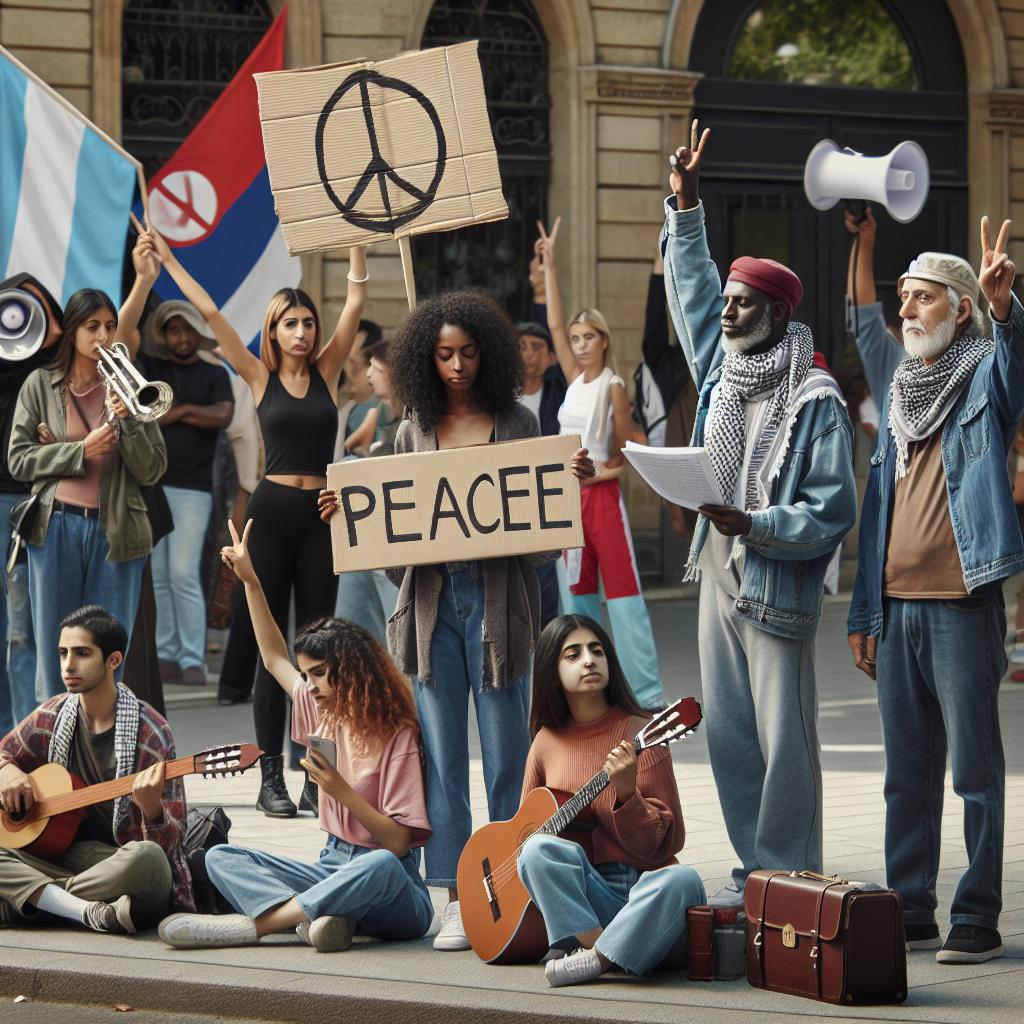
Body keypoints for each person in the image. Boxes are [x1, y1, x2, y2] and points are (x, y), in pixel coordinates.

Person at [318, 290, 593, 952]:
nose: (458, 366)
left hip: (501, 603)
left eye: (469, 353)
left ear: (488, 355)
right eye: (444, 355)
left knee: (506, 755)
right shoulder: (411, 429)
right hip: (431, 608)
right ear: (424, 360)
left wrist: (564, 486)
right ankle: (452, 893)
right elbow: (396, 538)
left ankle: (509, 884)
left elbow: (540, 543)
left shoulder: (521, 422)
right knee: (439, 755)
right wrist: (350, 516)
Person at [662, 121, 857, 906]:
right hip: (716, 568)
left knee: (786, 741)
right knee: (734, 738)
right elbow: (693, 290)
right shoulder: (724, 368)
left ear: (775, 313)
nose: (730, 314)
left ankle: (788, 875)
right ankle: (753, 874)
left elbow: (832, 508)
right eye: (731, 302)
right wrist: (688, 202)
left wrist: (760, 525)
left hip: (774, 576)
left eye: (745, 305)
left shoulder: (815, 400)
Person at [848, 216, 1023, 964]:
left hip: (962, 603)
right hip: (894, 609)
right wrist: (864, 610)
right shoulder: (898, 388)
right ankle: (909, 907)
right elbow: (877, 507)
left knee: (974, 771)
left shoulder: (985, 371)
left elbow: (1019, 364)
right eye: (904, 298)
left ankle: (978, 914)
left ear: (959, 308)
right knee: (904, 773)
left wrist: (1006, 309)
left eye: (923, 299)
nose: (907, 310)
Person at [148, 227, 366, 818]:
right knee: (274, 650)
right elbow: (212, 313)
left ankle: (316, 774)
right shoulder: (257, 375)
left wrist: (354, 239)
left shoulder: (328, 370)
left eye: (307, 323)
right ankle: (270, 775)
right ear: (273, 331)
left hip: (321, 517)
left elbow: (354, 301)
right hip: (269, 515)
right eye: (290, 324)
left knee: (322, 650)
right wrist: (169, 260)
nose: (302, 332)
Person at [158, 519, 433, 952]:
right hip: (331, 864)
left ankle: (259, 926)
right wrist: (250, 580)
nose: (312, 685)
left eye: (321, 674)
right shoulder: (320, 707)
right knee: (220, 857)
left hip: (393, 888)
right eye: (307, 675)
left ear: (354, 673)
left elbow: (398, 843)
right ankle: (319, 916)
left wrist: (340, 791)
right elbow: (272, 657)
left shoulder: (396, 735)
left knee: (379, 864)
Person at [8, 237, 168, 702]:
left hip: (116, 531)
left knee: (108, 654)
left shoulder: (129, 383)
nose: (102, 336)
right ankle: (54, 763)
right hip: (55, 528)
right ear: (73, 329)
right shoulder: (41, 383)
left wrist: (131, 422)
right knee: (55, 655)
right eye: (93, 326)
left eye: (110, 326)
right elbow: (18, 460)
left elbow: (153, 468)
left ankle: (103, 766)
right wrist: (78, 450)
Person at [516, 614, 705, 987]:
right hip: (587, 904)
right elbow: (523, 835)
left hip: (645, 900)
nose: (589, 659)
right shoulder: (544, 742)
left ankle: (596, 960)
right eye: (573, 654)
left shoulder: (639, 733)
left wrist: (626, 793)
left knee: (683, 879)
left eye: (597, 650)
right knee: (535, 850)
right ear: (552, 674)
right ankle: (607, 952)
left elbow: (667, 844)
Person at [536, 222, 667, 711]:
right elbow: (550, 324)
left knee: (626, 596)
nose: (580, 343)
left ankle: (648, 693)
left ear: (604, 340)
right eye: (575, 337)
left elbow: (623, 457)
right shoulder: (572, 382)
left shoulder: (612, 386)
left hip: (603, 498)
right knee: (578, 598)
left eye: (589, 336)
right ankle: (588, 687)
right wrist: (549, 264)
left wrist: (595, 476)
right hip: (572, 500)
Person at [0, 605, 191, 930]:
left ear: (113, 660)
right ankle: (87, 911)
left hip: (114, 862)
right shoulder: (52, 715)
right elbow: (4, 754)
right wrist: (8, 770)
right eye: (62, 653)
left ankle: (41, 901)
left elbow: (171, 847)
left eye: (82, 653)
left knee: (147, 859)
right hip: (55, 855)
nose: (68, 665)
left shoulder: (151, 732)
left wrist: (153, 812)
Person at [139, 301, 234, 688]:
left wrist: (177, 411)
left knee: (183, 573)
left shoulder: (213, 373)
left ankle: (193, 657)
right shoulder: (152, 369)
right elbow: (146, 414)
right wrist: (187, 414)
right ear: (164, 334)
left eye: (186, 329)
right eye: (172, 330)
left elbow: (223, 415)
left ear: (197, 331)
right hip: (153, 486)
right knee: (159, 575)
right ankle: (166, 654)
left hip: (194, 489)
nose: (180, 337)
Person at [0, 273, 63, 733]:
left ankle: (22, 737)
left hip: (32, 504)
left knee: (22, 628)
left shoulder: (51, 370)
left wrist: (48, 318)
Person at [517, 320, 567, 630]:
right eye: (521, 347)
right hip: (511, 500)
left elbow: (556, 325)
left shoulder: (562, 394)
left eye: (536, 348)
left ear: (550, 356)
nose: (528, 355)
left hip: (549, 499)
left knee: (546, 584)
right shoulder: (500, 401)